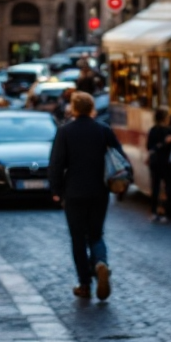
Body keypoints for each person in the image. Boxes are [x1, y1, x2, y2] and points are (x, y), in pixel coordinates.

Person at [48, 91, 130, 301]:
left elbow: (57, 164)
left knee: (77, 239)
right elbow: (120, 156)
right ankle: (100, 263)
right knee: (96, 234)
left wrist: (57, 191)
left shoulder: (65, 132)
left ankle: (84, 284)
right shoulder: (102, 130)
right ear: (92, 108)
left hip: (74, 192)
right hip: (99, 191)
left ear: (74, 109)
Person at [145, 109, 170, 222]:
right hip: (165, 162)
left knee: (155, 187)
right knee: (167, 188)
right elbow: (167, 147)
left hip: (155, 162)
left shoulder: (152, 130)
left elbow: (149, 146)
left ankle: (154, 211)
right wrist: (165, 143)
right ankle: (165, 211)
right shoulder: (167, 131)